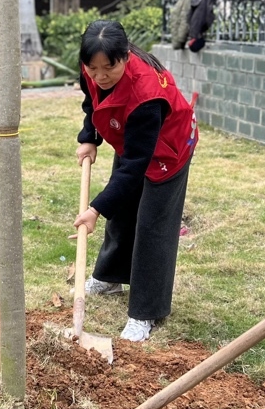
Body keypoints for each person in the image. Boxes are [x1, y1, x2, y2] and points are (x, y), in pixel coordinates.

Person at [73, 19, 197, 342]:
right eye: (93, 67)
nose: (100, 76)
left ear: (125, 57)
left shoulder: (146, 95)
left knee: (152, 227)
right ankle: (110, 276)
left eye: (108, 68)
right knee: (122, 211)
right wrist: (89, 137)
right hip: (132, 139)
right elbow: (92, 100)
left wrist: (95, 209)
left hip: (168, 148)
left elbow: (133, 168)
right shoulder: (92, 70)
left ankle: (145, 313)